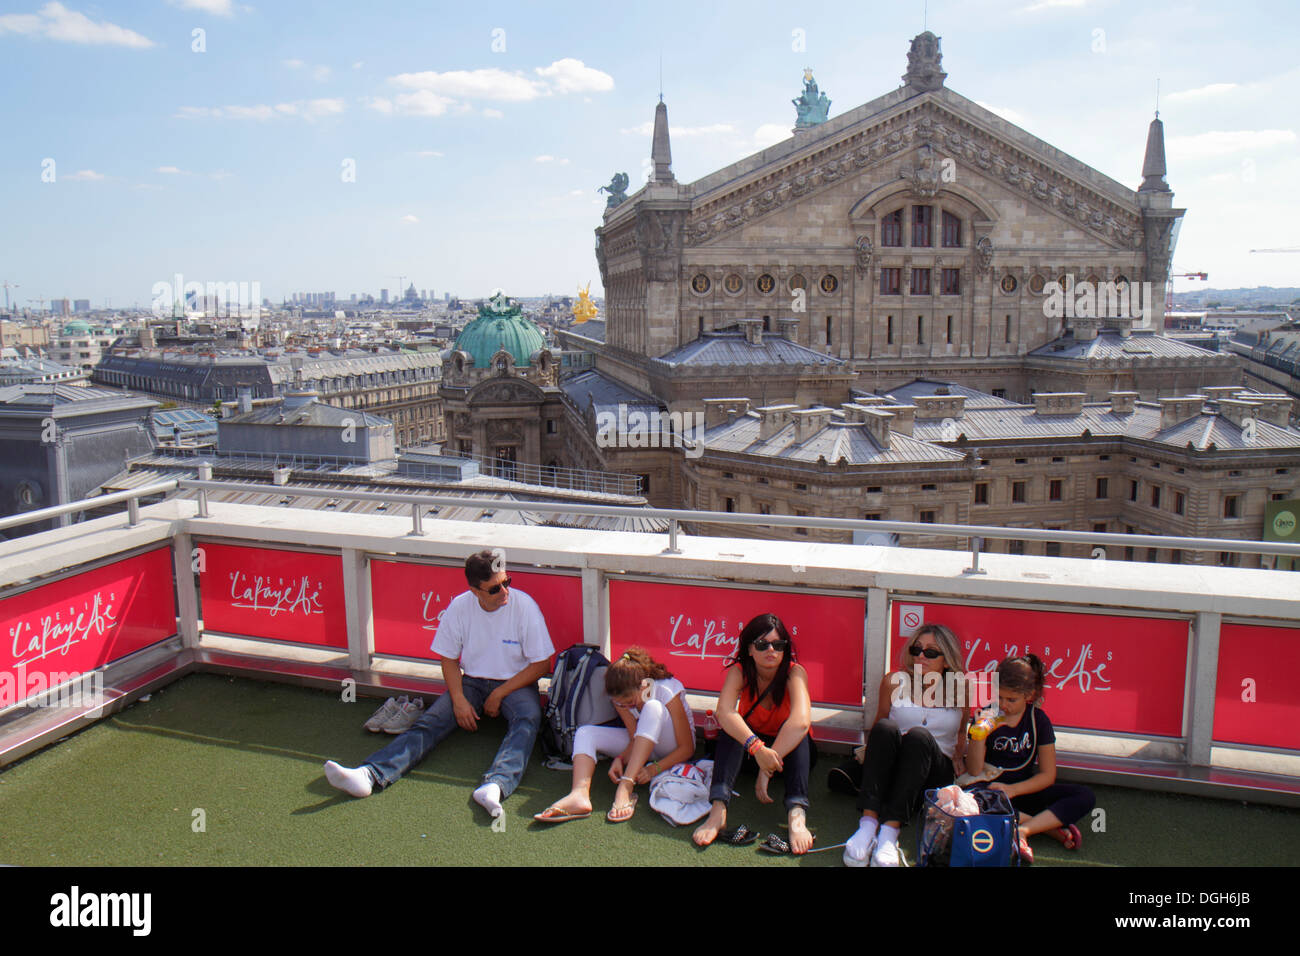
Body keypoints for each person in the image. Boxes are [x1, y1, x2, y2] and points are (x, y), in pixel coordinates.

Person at [323, 549, 554, 818]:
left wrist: (501, 692)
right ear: (475, 591)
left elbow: (541, 665)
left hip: (515, 684)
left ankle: (496, 785)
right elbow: (448, 659)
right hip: (472, 682)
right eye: (494, 589)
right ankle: (370, 774)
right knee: (429, 722)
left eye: (507, 582)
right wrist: (458, 700)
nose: (504, 591)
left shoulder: (524, 606)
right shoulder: (459, 607)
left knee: (527, 720)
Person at [842, 623, 969, 867]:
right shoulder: (893, 682)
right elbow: (879, 722)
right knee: (885, 728)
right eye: (917, 649)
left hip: (933, 771)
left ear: (946, 660)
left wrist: (959, 757)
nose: (921, 656)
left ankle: (890, 832)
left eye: (931, 652)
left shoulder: (960, 688)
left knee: (919, 736)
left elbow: (962, 731)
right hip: (896, 766)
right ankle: (867, 826)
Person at [693, 613, 815, 854]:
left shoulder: (795, 672)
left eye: (778, 645)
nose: (771, 650)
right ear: (749, 649)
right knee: (731, 730)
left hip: (789, 758)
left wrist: (766, 767)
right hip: (755, 752)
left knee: (798, 735)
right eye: (762, 645)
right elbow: (725, 712)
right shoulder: (739, 671)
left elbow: (801, 722)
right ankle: (718, 810)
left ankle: (796, 814)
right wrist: (758, 750)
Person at [534, 647, 695, 823]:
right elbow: (635, 737)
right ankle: (579, 794)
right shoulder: (620, 698)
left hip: (669, 747)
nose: (625, 707)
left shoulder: (666, 690)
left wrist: (653, 769)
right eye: (620, 704)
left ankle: (626, 787)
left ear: (644, 685)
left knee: (652, 706)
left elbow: (687, 748)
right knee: (585, 733)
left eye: (630, 702)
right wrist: (620, 757)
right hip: (645, 747)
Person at [964, 654, 1095, 863]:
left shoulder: (1039, 721)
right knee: (972, 800)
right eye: (999, 697)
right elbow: (973, 770)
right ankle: (1048, 828)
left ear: (1029, 695)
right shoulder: (986, 715)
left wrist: (1013, 790)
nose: (1004, 705)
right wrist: (978, 735)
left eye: (1011, 699)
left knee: (1085, 795)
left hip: (1022, 790)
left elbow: (1048, 776)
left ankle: (1024, 829)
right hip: (991, 790)